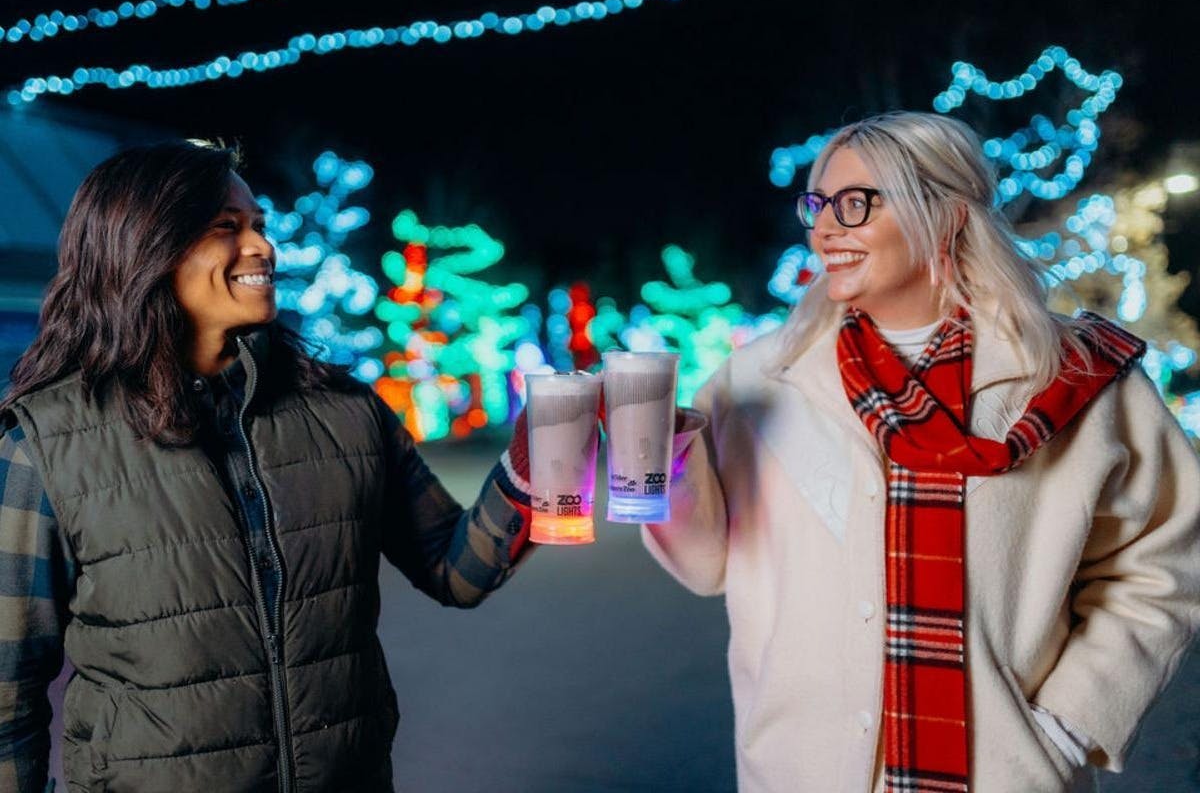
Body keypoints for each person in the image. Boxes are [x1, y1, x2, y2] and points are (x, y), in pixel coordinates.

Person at [643, 112, 1200, 792]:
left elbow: (1167, 563)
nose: (823, 230)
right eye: (817, 205)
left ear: (946, 215)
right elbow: (707, 565)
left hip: (1005, 776)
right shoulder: (757, 379)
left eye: (854, 204)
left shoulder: (1079, 375)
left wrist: (1070, 723)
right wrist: (660, 466)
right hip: (799, 770)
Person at [0, 140, 534, 792]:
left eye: (259, 226)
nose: (261, 248)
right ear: (145, 247)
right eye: (228, 228)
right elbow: (8, 697)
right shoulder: (48, 441)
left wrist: (538, 458)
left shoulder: (345, 412)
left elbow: (456, 569)